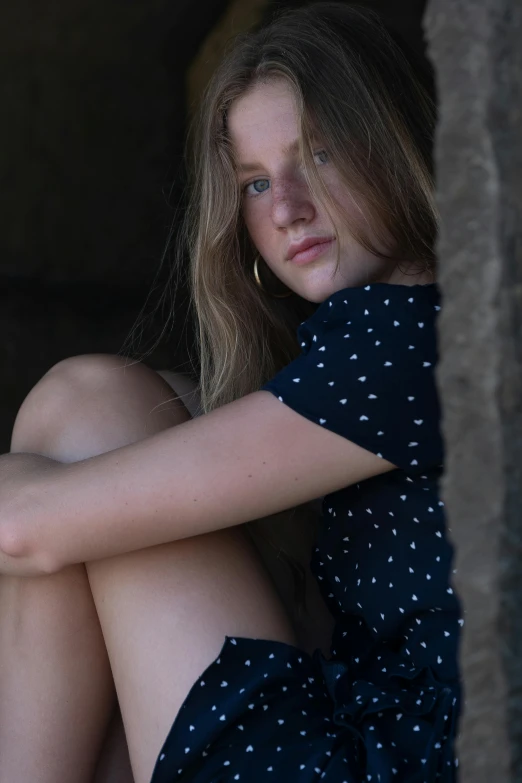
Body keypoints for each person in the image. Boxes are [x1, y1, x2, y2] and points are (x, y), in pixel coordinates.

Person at [0, 3, 462, 783]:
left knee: (89, 411)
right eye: (253, 183)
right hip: (363, 724)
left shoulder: (408, 344)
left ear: (391, 145)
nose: (285, 209)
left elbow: (22, 529)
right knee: (105, 401)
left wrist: (33, 495)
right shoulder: (390, 341)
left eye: (317, 155)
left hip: (376, 766)